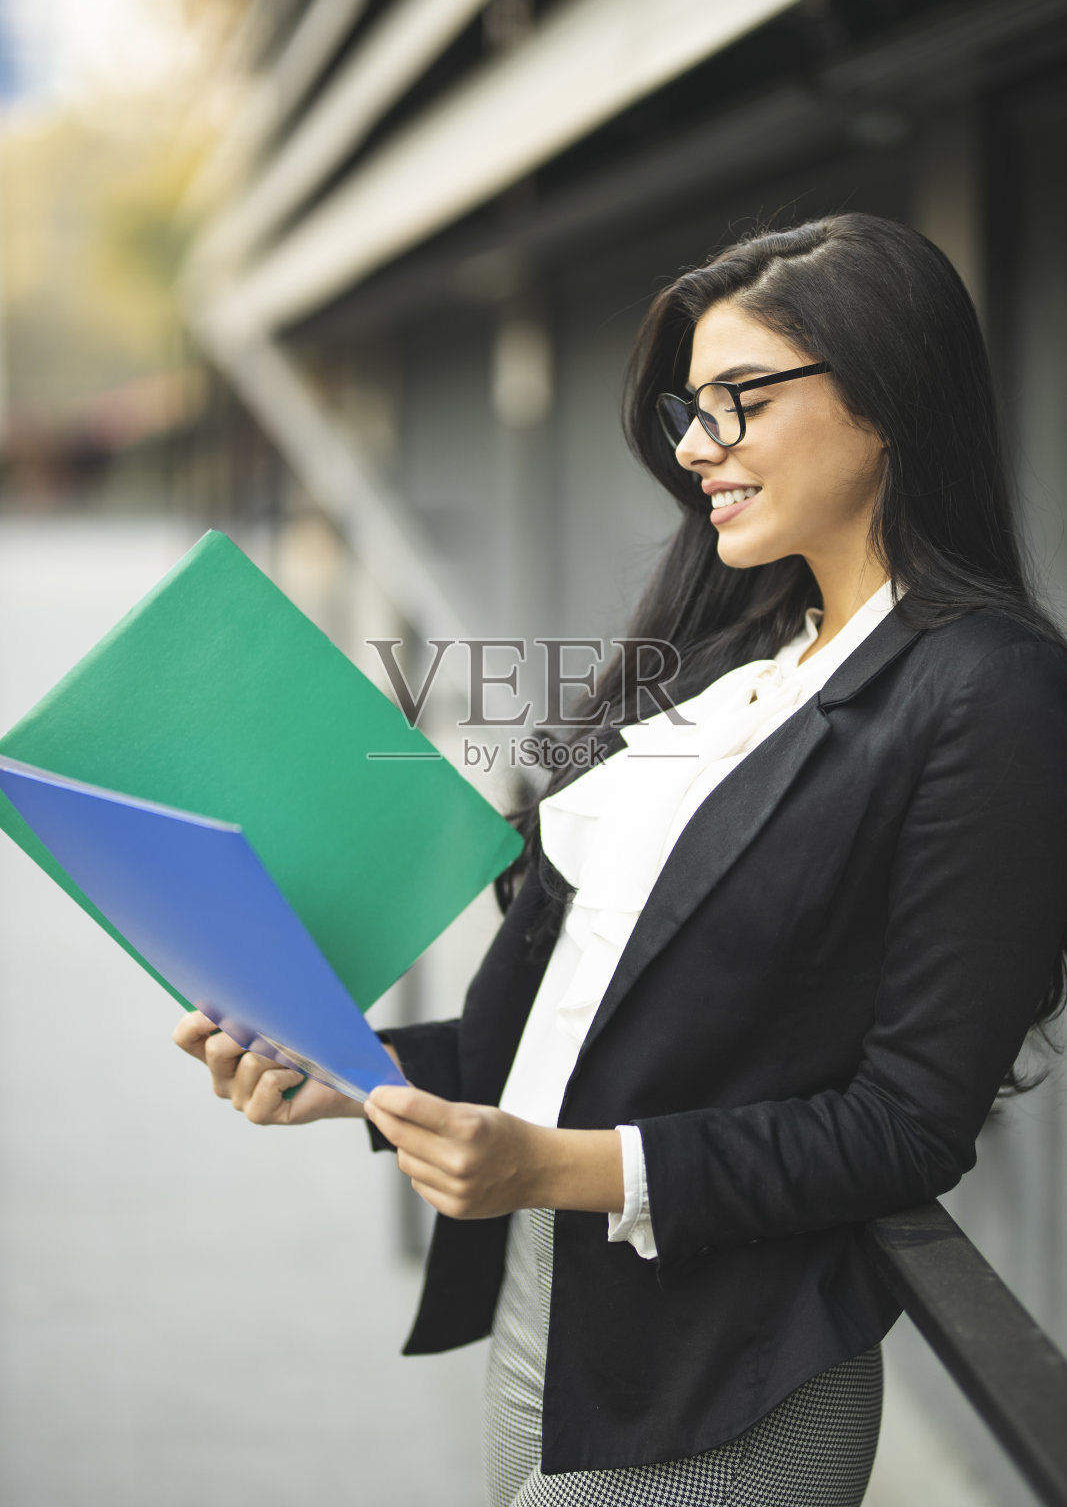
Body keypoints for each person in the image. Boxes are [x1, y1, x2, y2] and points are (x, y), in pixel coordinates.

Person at [175, 213, 1067, 1506]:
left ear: (888, 399)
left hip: (728, 1371)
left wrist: (554, 1166)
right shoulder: (736, 647)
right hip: (552, 1307)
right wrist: (354, 1072)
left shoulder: (990, 692)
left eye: (741, 399)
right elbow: (592, 1008)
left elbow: (907, 1127)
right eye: (690, 410)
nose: (697, 446)